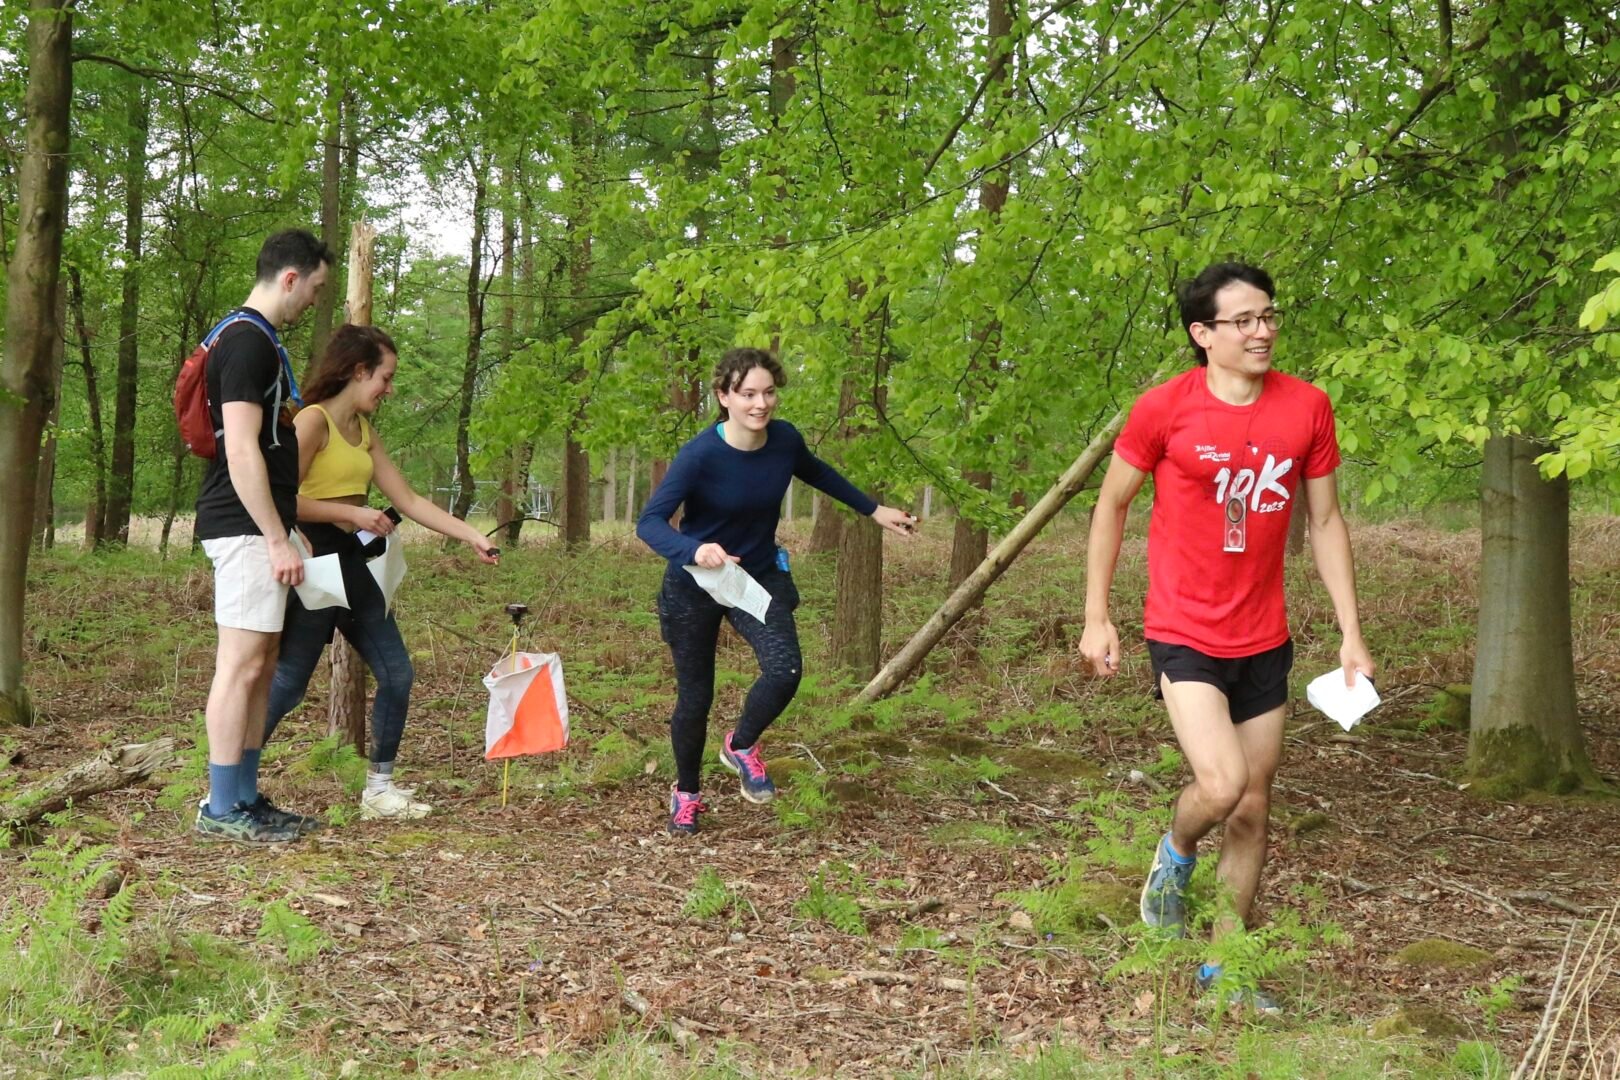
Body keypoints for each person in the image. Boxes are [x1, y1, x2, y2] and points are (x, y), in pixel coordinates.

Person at [1078, 263, 1375, 1013]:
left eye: (1269, 315)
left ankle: (1225, 972)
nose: (1262, 330)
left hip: (1263, 636)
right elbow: (1111, 506)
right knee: (1220, 786)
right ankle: (1175, 854)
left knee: (1252, 809)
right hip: (1184, 629)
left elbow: (1327, 522)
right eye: (1243, 320)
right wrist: (1097, 615)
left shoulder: (1307, 406)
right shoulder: (1163, 410)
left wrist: (1350, 631)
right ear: (1202, 334)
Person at [637, 347, 917, 834]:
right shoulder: (700, 455)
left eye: (768, 393)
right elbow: (649, 523)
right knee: (695, 696)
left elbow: (818, 472)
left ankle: (741, 744)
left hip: (756, 576)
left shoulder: (784, 440)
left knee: (785, 669)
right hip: (697, 582)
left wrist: (874, 510)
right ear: (725, 397)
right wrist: (693, 550)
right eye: (748, 394)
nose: (760, 404)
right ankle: (687, 794)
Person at [259, 323, 499, 820]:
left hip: (352, 561)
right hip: (312, 561)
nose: (388, 389)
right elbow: (283, 499)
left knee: (397, 672)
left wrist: (471, 534)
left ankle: (379, 791)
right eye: (384, 378)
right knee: (289, 684)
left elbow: (406, 499)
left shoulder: (365, 432)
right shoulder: (313, 421)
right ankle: (230, 783)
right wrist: (350, 513)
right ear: (358, 370)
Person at [194, 229, 333, 844]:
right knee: (241, 665)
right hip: (244, 526)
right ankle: (220, 807)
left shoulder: (258, 341)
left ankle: (245, 797)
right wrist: (275, 537)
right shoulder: (247, 342)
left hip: (263, 524)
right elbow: (243, 448)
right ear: (290, 278)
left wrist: (288, 528)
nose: (313, 302)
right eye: (316, 289)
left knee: (262, 661)